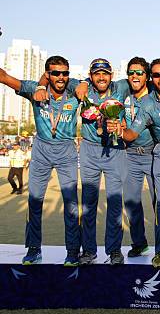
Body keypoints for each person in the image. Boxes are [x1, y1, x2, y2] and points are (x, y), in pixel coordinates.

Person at [109, 58, 160, 268]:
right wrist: (119, 131)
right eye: (156, 75)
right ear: (152, 78)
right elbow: (132, 133)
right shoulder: (147, 103)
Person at [0, 56, 82, 266]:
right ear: (47, 74)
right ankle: (34, 249)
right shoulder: (33, 90)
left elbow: (90, 84)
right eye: (55, 73)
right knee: (34, 201)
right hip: (42, 150)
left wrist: (80, 83)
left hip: (66, 151)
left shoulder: (74, 91)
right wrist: (38, 86)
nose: (61, 77)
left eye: (65, 73)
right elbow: (3, 77)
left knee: (71, 204)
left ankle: (73, 251)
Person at [78, 58, 130, 266]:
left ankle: (115, 250)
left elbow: (146, 78)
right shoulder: (81, 87)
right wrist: (82, 81)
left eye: (105, 73)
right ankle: (89, 251)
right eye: (96, 73)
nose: (101, 77)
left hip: (115, 150)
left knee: (115, 203)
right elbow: (53, 78)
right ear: (90, 76)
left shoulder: (121, 86)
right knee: (89, 204)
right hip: (90, 150)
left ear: (111, 75)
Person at [121, 57, 156, 258]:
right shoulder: (124, 94)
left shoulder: (154, 95)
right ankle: (139, 243)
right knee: (131, 202)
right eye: (131, 73)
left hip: (152, 154)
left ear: (147, 76)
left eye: (140, 72)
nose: (135, 76)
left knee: (158, 202)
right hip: (130, 155)